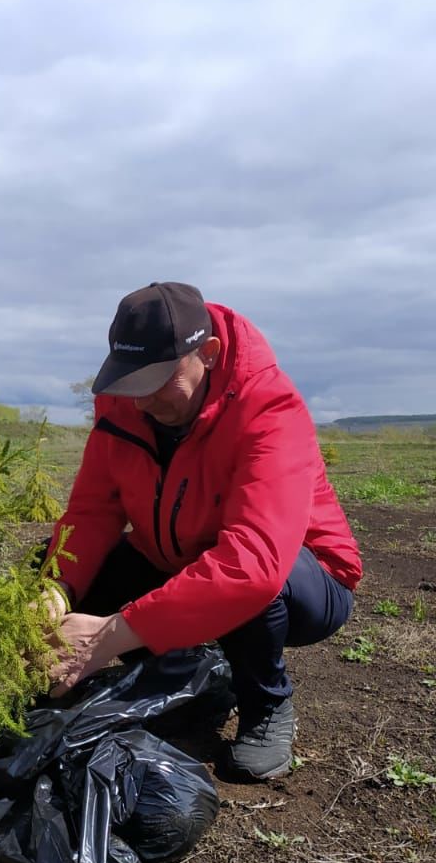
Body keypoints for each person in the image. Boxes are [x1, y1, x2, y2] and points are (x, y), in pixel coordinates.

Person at [43, 281, 361, 780]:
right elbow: (90, 514)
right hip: (177, 558)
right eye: (130, 383)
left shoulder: (270, 410)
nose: (142, 402)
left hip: (305, 579)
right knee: (59, 563)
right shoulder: (122, 411)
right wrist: (56, 591)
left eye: (157, 381)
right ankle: (162, 671)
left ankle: (266, 706)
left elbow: (252, 566)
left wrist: (109, 635)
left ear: (207, 354)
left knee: (251, 581)